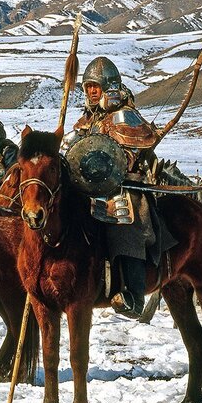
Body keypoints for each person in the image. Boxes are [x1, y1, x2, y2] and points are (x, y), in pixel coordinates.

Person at [65, 56, 173, 319]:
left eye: (96, 86)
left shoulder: (124, 115)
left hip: (124, 187)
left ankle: (133, 294)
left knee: (125, 223)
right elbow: (70, 152)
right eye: (88, 86)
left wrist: (113, 163)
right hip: (87, 188)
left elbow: (131, 154)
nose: (91, 91)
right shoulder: (84, 121)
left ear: (109, 86)